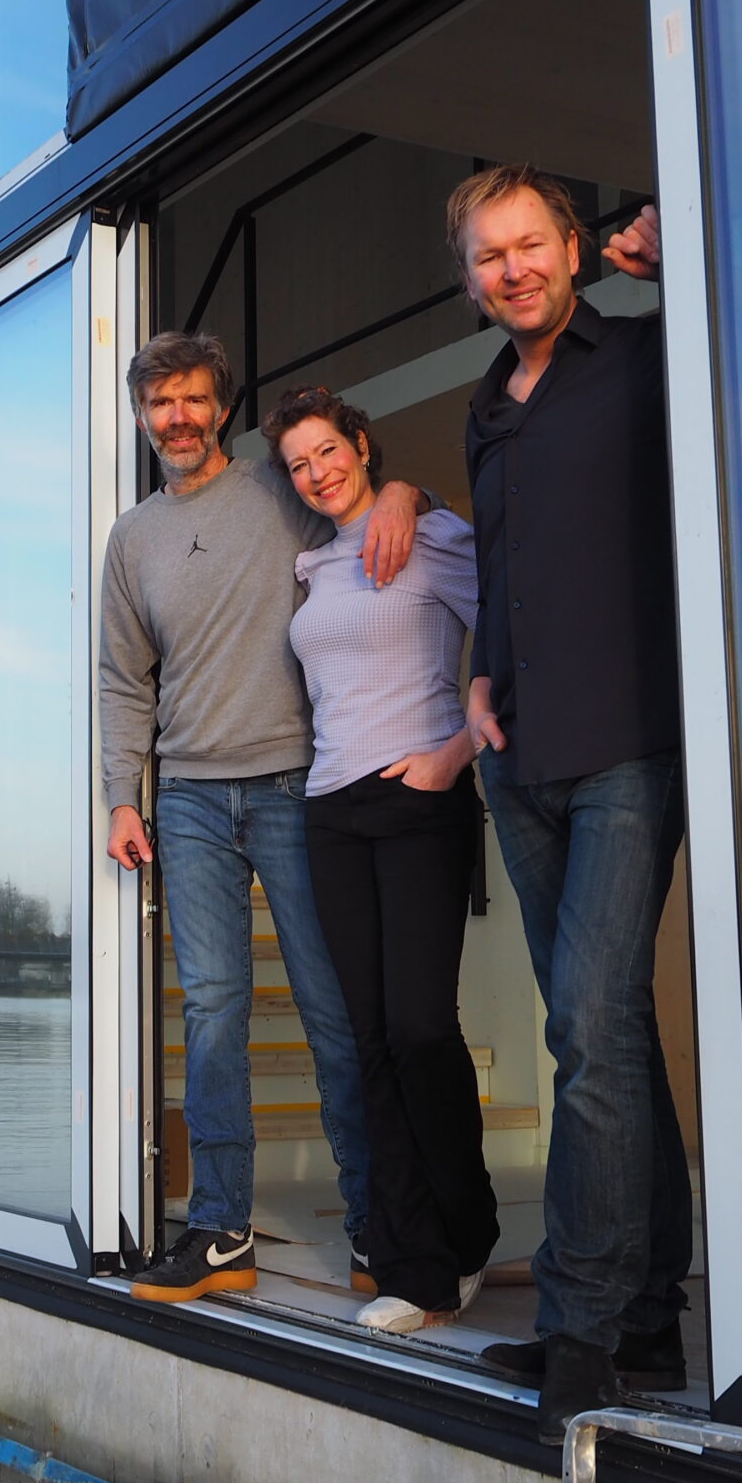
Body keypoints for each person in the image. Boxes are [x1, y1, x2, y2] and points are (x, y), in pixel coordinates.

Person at [99, 331, 427, 1304]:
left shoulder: (281, 494)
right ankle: (219, 1230)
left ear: (220, 406)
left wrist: (405, 491)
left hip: (297, 785)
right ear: (142, 416)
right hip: (190, 799)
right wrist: (123, 792)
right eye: (161, 403)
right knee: (212, 1015)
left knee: (333, 1016)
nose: (179, 418)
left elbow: (375, 511)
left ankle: (376, 1225)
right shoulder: (132, 539)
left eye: (195, 399)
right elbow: (125, 678)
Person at [451, 163, 691, 1443]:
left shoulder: (650, 354)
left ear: (574, 247)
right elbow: (503, 567)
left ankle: (583, 1329)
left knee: (588, 1034)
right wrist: (480, 677)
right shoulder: (490, 405)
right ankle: (646, 1308)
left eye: (528, 243)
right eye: (488, 257)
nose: (512, 270)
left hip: (630, 743)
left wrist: (687, 254)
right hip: (523, 754)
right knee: (609, 1033)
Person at [264, 383, 499, 1335]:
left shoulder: (433, 537)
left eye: (328, 451)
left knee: (419, 1030)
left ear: (362, 445)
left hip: (418, 800)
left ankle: (468, 1235)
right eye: (298, 465)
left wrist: (455, 754)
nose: (316, 474)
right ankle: (420, 1269)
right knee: (366, 1042)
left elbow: (516, 631)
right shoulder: (311, 567)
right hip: (330, 810)